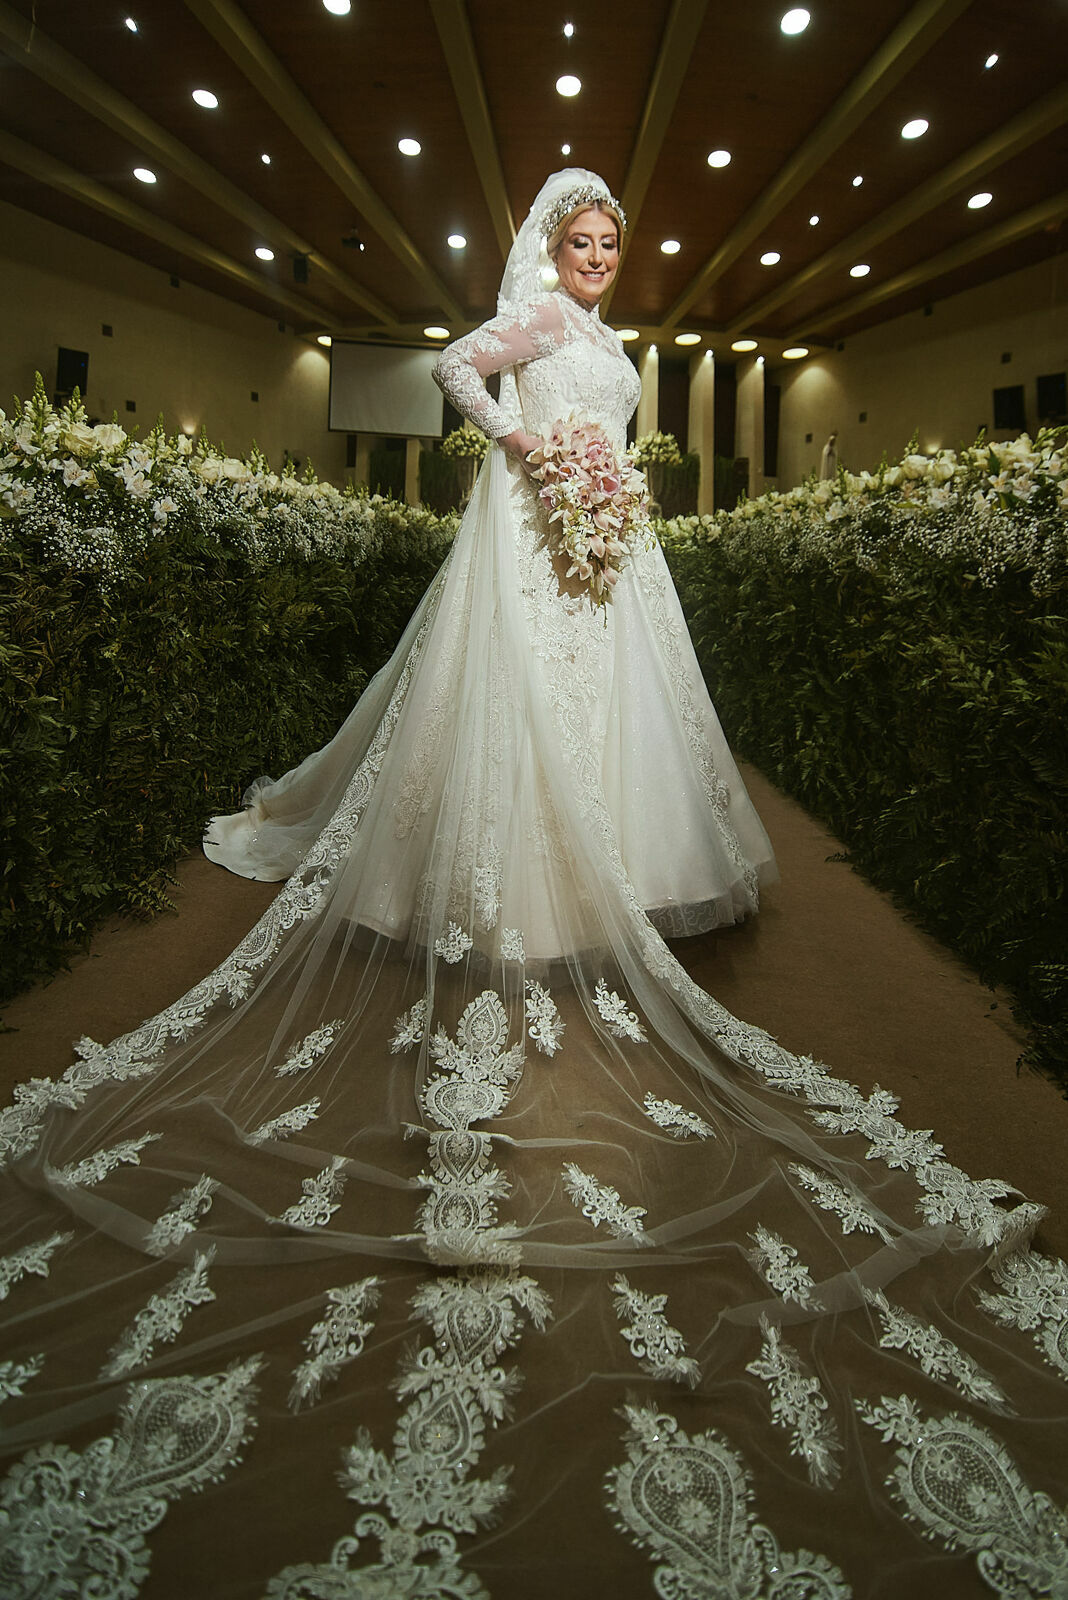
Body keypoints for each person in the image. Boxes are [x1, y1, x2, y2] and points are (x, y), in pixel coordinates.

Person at [0, 170, 1065, 1600]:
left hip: (606, 548)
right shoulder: (540, 316)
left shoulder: (613, 337)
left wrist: (600, 480)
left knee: (612, 719)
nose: (602, 256)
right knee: (519, 719)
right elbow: (454, 366)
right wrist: (524, 448)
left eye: (614, 242)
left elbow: (598, 421)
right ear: (552, 247)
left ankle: (605, 874)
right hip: (532, 536)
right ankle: (514, 887)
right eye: (584, 238)